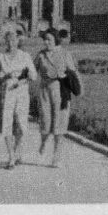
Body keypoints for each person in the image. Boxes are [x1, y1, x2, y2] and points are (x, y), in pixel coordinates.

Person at [0, 29, 36, 170]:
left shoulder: (25, 56)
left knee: (21, 125)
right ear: (5, 42)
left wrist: (25, 76)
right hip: (5, 93)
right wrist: (3, 77)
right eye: (8, 40)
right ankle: (11, 156)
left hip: (21, 92)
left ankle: (17, 151)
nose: (11, 43)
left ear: (18, 41)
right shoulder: (1, 57)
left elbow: (34, 75)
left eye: (14, 40)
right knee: (7, 124)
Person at [34, 28, 78, 168]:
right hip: (45, 91)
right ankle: (43, 143)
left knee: (59, 124)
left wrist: (65, 76)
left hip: (61, 91)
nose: (46, 42)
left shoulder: (65, 54)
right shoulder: (41, 55)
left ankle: (56, 157)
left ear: (56, 40)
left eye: (49, 40)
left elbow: (73, 72)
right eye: (45, 40)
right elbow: (32, 71)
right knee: (45, 122)